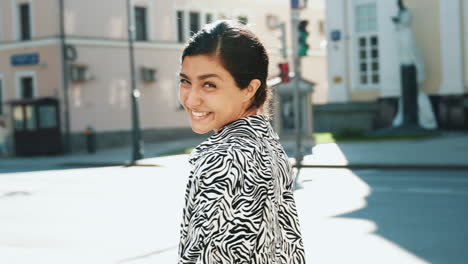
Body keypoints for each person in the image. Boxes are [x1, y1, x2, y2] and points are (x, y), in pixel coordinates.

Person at [177, 20, 306, 264]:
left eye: (209, 84)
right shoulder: (268, 146)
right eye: (185, 81)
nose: (192, 99)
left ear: (249, 88)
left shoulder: (224, 159)